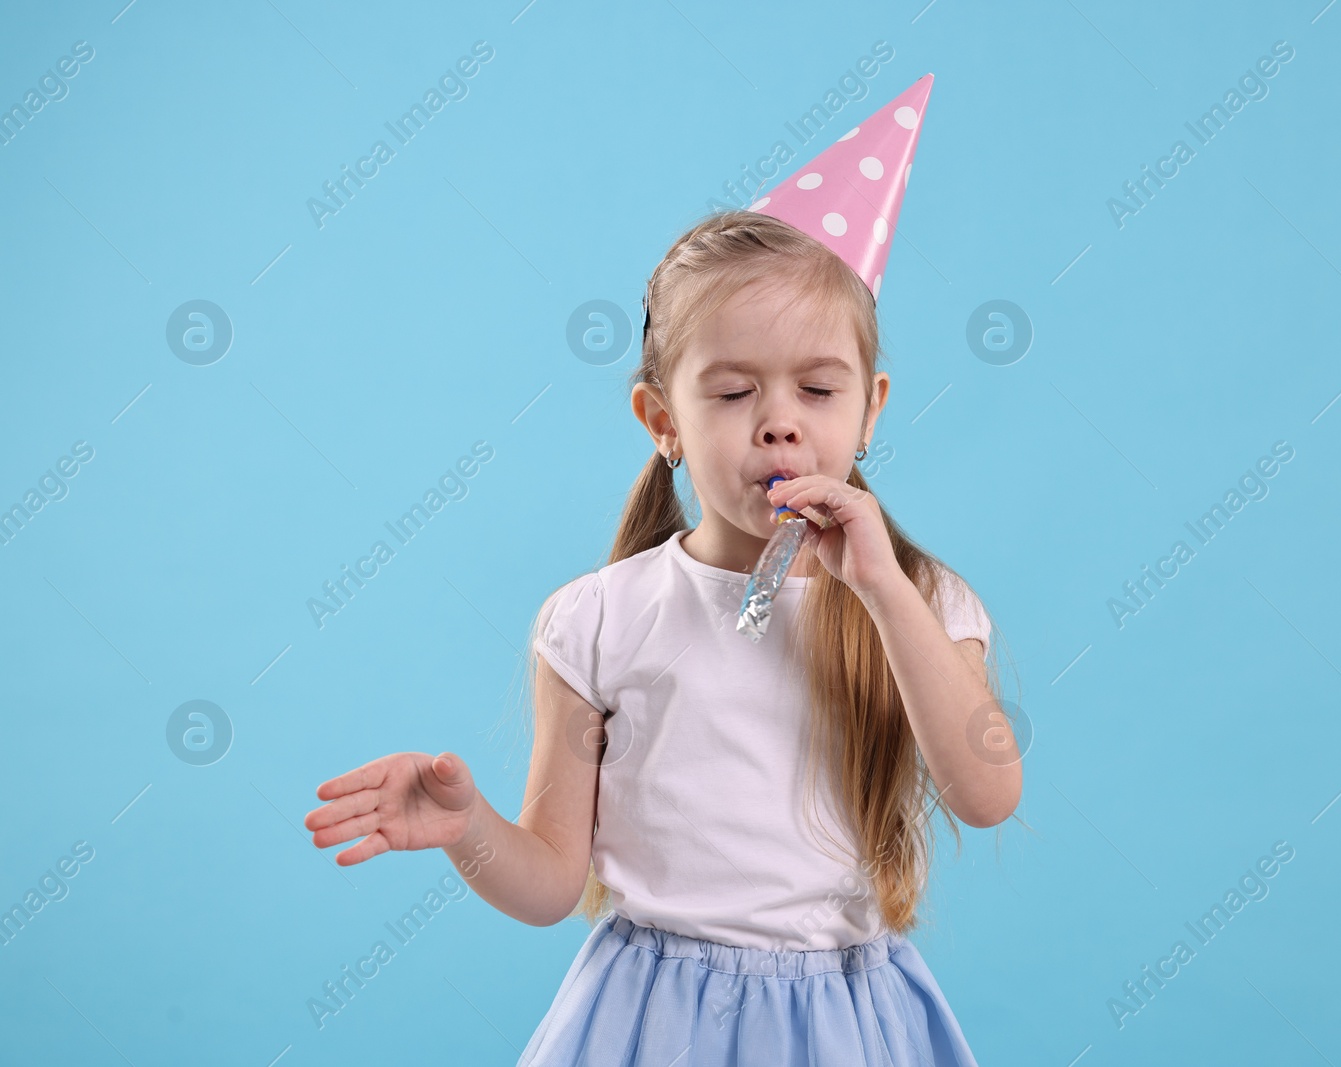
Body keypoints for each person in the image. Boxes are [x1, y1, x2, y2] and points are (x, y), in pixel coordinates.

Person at [304, 74, 1022, 1065]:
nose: (780, 418)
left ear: (870, 409)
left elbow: (987, 792)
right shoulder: (597, 620)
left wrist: (883, 592)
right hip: (651, 1022)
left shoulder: (927, 601)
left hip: (847, 1028)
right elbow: (554, 880)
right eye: (733, 390)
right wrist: (468, 826)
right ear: (662, 421)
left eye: (818, 386)